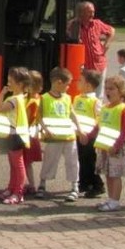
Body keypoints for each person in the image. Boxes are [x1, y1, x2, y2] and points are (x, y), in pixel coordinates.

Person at [36, 67, 81, 201]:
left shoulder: (67, 98)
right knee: (49, 160)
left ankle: (74, 186)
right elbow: (39, 116)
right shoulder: (44, 98)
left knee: (72, 161)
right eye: (67, 84)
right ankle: (43, 184)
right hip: (53, 137)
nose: (68, 87)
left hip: (68, 136)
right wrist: (44, 129)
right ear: (58, 82)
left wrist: (79, 128)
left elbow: (72, 114)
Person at [93, 75, 125, 212]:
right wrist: (88, 136)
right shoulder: (105, 108)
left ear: (120, 90)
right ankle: (110, 199)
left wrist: (116, 146)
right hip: (105, 147)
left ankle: (115, 201)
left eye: (112, 89)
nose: (108, 92)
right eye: (106, 88)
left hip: (116, 148)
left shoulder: (123, 108)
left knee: (115, 174)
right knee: (108, 174)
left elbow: (124, 130)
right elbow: (99, 126)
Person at [0, 67, 31, 205]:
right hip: (15, 134)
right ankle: (12, 188)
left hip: (15, 135)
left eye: (10, 81)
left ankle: (18, 192)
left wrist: (2, 94)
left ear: (20, 84)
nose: (8, 83)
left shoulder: (14, 99)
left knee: (17, 165)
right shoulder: (21, 97)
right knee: (14, 164)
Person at [68, 1, 115, 87]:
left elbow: (111, 30)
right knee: (84, 91)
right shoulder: (74, 25)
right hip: (84, 67)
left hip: (99, 64)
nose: (92, 14)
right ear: (81, 12)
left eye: (93, 12)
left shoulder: (97, 23)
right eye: (89, 12)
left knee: (99, 94)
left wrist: (107, 45)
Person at [73, 69, 105, 199]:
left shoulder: (95, 101)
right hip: (79, 133)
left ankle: (98, 185)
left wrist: (90, 134)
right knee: (80, 159)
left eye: (81, 81)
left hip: (90, 136)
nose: (78, 83)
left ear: (89, 85)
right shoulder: (77, 98)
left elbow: (99, 119)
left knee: (90, 161)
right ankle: (84, 183)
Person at [22, 70, 44, 196]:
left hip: (28, 134)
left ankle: (30, 184)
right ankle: (30, 184)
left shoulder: (32, 101)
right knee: (27, 162)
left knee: (25, 161)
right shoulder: (37, 98)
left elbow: (27, 118)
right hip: (32, 133)